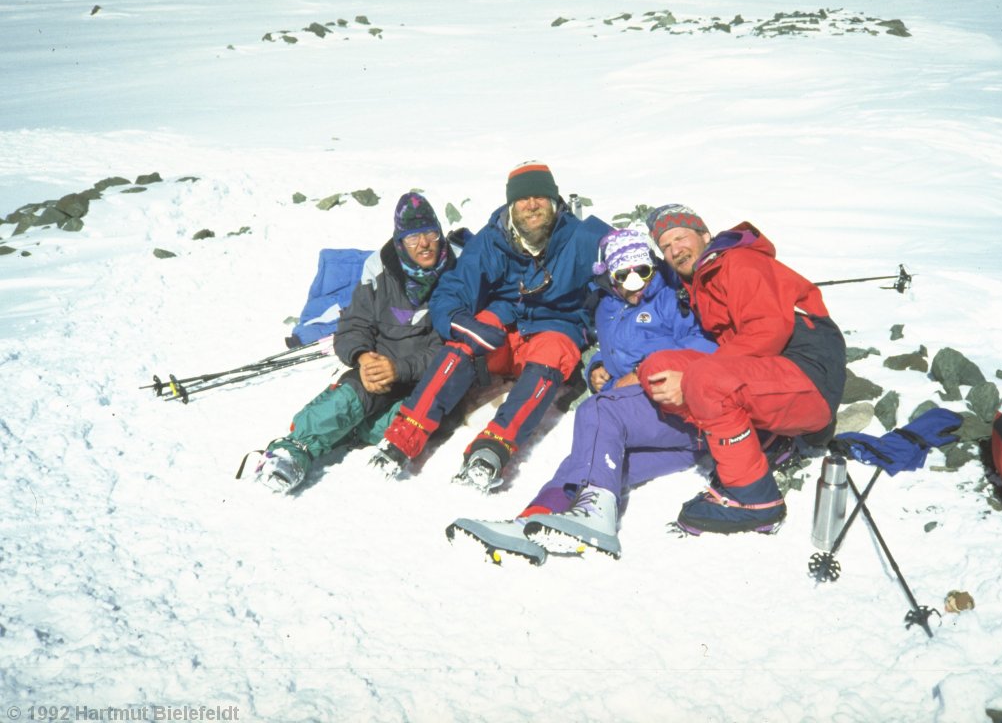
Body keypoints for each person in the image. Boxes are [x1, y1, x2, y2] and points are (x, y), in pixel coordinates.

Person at [447, 228, 719, 563]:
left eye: (643, 272)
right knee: (589, 460)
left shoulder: (671, 298)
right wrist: (599, 368)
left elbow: (706, 346)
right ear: (610, 276)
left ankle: (597, 519)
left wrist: (648, 370)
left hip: (687, 413)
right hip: (659, 426)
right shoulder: (607, 308)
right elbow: (615, 354)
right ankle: (533, 520)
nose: (637, 284)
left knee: (596, 412)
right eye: (624, 275)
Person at [370, 161, 612, 491]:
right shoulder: (492, 239)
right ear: (512, 204)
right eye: (524, 199)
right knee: (467, 337)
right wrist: (458, 321)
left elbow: (635, 266)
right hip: (504, 328)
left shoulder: (584, 237)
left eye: (540, 197)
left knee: (554, 350)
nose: (532, 205)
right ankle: (403, 437)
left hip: (556, 327)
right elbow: (453, 288)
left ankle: (492, 449)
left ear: (554, 200)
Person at [638, 204, 846, 535]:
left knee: (705, 379)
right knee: (657, 368)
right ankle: (760, 444)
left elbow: (769, 330)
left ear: (705, 235)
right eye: (665, 246)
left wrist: (693, 379)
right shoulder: (702, 283)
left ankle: (755, 498)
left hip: (809, 378)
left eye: (680, 237)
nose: (675, 250)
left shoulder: (738, 262)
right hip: (774, 378)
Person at [251, 192, 456, 493]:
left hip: (425, 379)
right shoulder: (379, 271)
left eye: (430, 233)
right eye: (413, 237)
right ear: (400, 241)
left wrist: (399, 369)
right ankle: (292, 451)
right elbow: (353, 324)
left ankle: (353, 430)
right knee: (347, 398)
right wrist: (362, 358)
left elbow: (452, 347)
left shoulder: (458, 275)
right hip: (376, 370)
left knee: (402, 423)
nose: (424, 243)